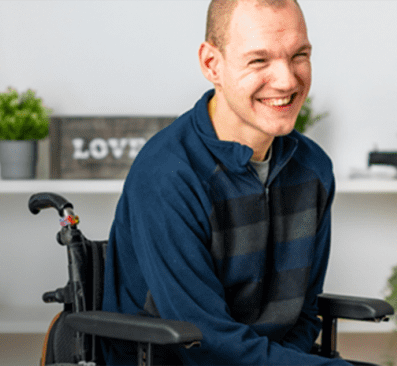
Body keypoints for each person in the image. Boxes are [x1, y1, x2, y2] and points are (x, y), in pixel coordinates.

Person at [102, 0, 346, 364]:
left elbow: (305, 313)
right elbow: (203, 341)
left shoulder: (313, 169)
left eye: (299, 55)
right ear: (211, 64)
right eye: (259, 60)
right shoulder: (168, 174)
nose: (287, 80)